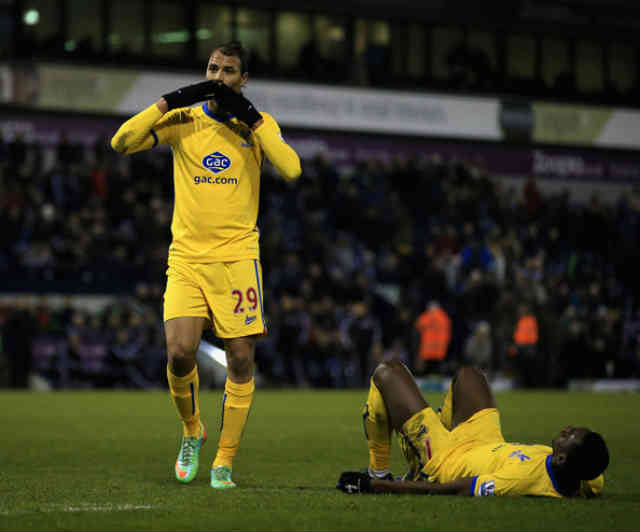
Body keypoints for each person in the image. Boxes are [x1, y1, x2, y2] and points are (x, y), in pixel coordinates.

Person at [111, 41, 301, 489]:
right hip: (187, 259)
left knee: (239, 357)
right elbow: (121, 142)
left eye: (229, 71)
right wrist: (172, 99)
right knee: (179, 352)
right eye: (213, 69)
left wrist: (252, 117)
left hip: (236, 260)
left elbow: (291, 170)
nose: (219, 78)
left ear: (243, 79)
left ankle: (224, 461)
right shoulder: (185, 121)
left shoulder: (258, 127)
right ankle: (193, 429)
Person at [337, 359, 608, 497]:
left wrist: (376, 485)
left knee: (388, 371)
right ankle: (428, 434)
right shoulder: (588, 475)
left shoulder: (519, 481)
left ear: (561, 458)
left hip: (446, 460)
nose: (567, 429)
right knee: (470, 375)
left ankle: (382, 467)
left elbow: (456, 489)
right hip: (485, 441)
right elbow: (593, 477)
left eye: (570, 435)